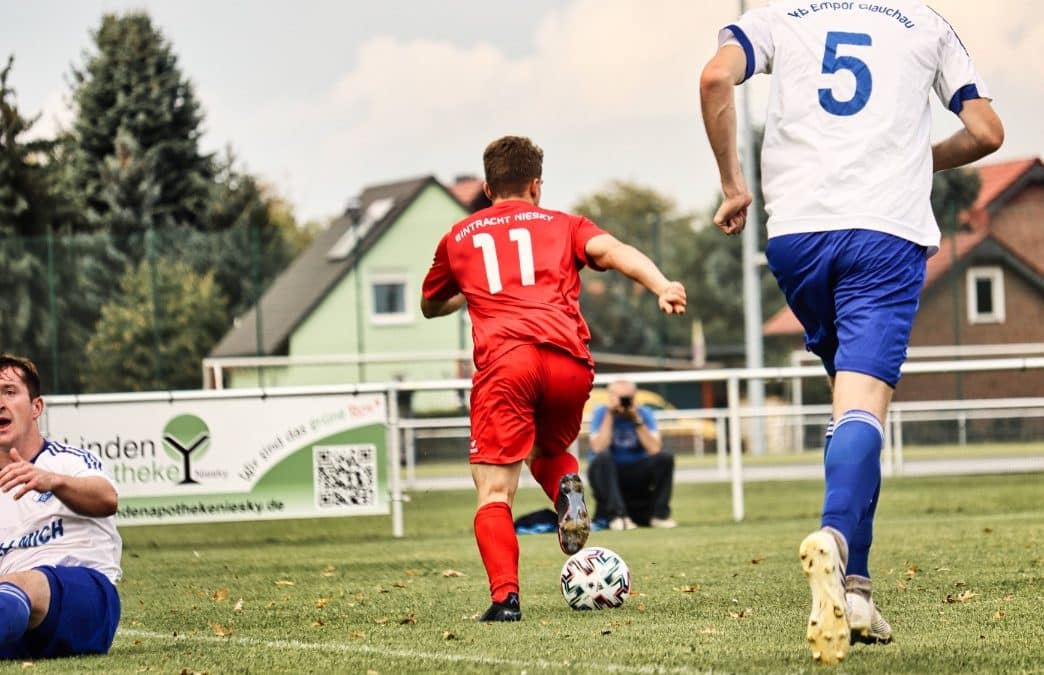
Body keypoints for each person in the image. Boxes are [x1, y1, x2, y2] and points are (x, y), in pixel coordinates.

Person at [700, 1, 1003, 664]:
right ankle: (837, 544)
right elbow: (985, 132)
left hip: (797, 237)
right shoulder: (926, 23)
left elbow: (715, 79)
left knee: (848, 405)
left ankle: (858, 593)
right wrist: (917, 161)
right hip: (883, 233)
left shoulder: (782, 16)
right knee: (866, 407)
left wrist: (732, 185)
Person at [421, 135, 686, 622]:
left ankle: (506, 599)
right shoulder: (565, 225)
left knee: (495, 490)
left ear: (486, 187)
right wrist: (661, 284)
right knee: (548, 449)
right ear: (536, 186)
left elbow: (430, 304)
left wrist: (467, 294)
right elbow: (615, 250)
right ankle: (567, 484)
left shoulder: (458, 237)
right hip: (569, 362)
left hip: (508, 363)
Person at [0, 354, 122, 660]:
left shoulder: (67, 461)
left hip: (86, 598)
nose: (0, 403)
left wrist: (53, 481)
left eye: (9, 392)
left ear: (36, 407)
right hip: (16, 618)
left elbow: (107, 499)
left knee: (20, 584)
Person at [587, 379, 676, 530]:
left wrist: (636, 420)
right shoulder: (601, 413)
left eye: (627, 398)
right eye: (619, 397)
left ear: (635, 397)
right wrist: (609, 415)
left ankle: (660, 515)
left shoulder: (644, 413)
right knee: (603, 457)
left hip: (637, 470)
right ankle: (618, 516)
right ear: (610, 397)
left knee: (665, 459)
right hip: (608, 471)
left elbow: (655, 449)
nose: (623, 402)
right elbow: (598, 448)